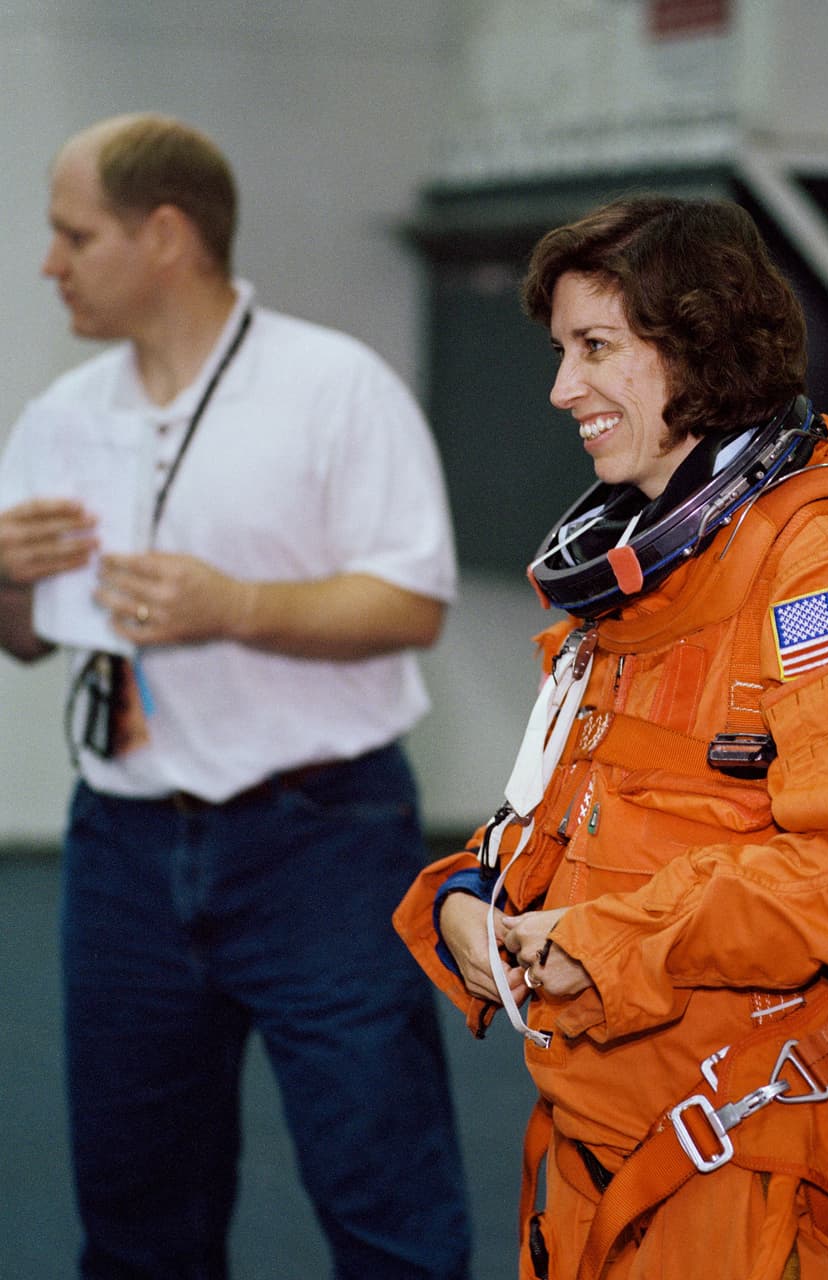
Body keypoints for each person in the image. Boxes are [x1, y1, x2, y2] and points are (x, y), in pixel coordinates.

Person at [394, 195, 828, 1279]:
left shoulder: (817, 572)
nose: (561, 389)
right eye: (561, 352)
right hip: (596, 1149)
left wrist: (608, 944)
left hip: (729, 1168)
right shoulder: (645, 582)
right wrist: (473, 893)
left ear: (696, 341)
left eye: (596, 347)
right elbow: (579, 808)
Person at [0, 113, 469, 1279]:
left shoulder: (332, 388)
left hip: (321, 840)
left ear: (166, 235)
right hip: (122, 848)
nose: (50, 263)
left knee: (387, 1208)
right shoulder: (63, 416)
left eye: (74, 236)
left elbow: (412, 602)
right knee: (135, 1220)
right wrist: (3, 579)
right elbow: (27, 642)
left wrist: (236, 605)